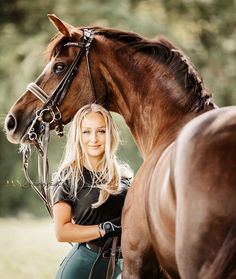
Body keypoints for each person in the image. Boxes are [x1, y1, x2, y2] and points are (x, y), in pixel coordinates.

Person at [52, 103, 133, 279]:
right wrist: (105, 228)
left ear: (110, 134)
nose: (94, 139)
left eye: (101, 131)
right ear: (78, 136)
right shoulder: (68, 177)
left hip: (121, 267)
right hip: (82, 267)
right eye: (86, 131)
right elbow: (61, 232)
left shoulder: (125, 176)